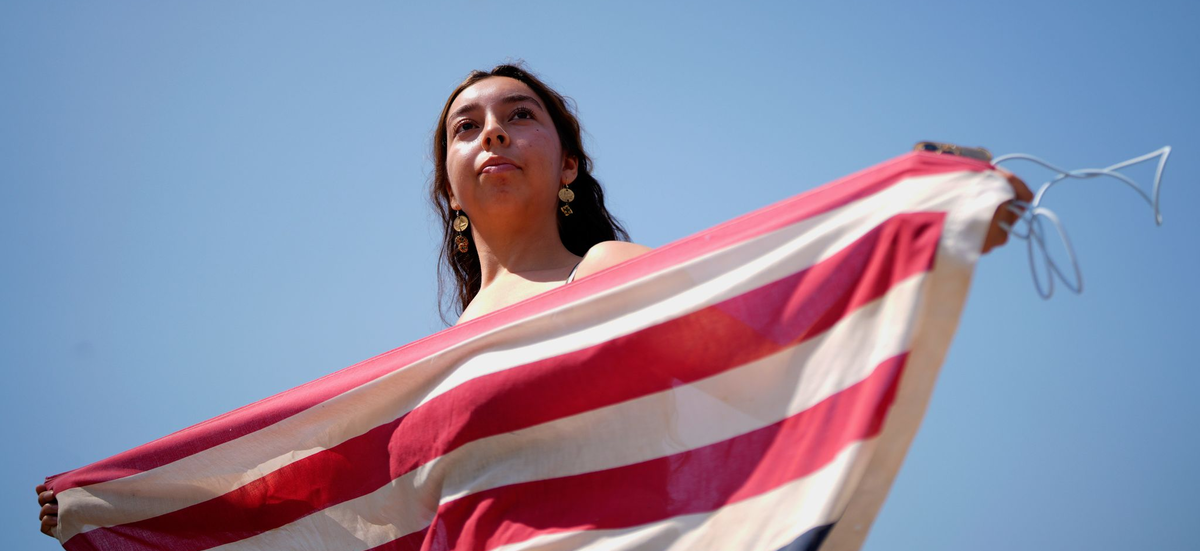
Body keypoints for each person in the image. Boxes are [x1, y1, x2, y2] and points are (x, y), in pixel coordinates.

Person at [36, 63, 1032, 537]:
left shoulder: (609, 279)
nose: (494, 134)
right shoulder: (422, 375)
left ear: (564, 166)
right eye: (467, 127)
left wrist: (913, 225)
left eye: (522, 117)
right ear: (451, 190)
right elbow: (312, 504)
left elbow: (772, 340)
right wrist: (123, 506)